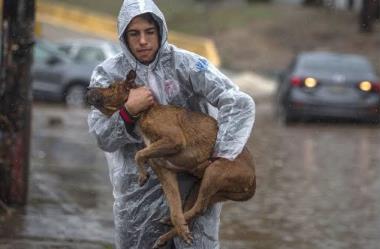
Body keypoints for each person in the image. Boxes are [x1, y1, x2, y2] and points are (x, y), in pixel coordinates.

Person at [87, 0, 256, 248]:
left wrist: (221, 156)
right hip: (137, 192)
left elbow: (238, 102)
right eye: (134, 34)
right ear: (124, 37)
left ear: (160, 31)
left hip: (193, 184)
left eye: (149, 32)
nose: (143, 41)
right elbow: (102, 138)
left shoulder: (188, 65)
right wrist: (128, 111)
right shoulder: (110, 74)